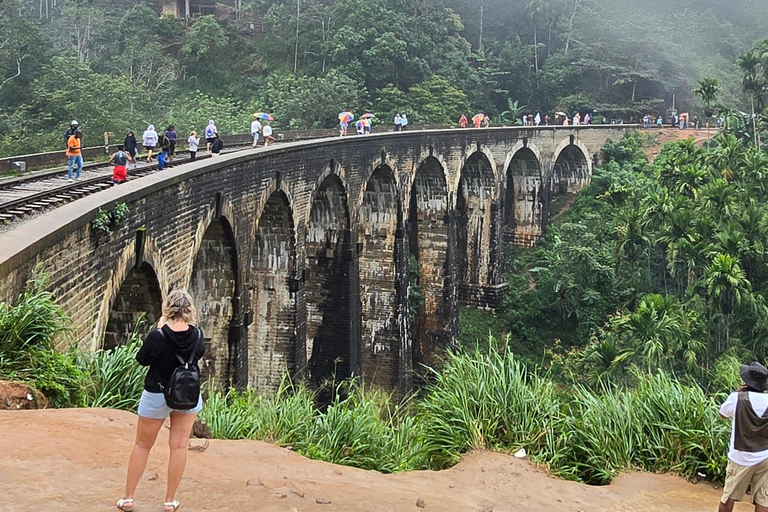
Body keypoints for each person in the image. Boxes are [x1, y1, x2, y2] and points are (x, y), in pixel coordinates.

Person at [116, 290, 205, 512]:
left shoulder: (159, 335)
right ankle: (169, 501)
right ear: (189, 310)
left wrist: (159, 329)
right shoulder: (198, 335)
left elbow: (142, 360)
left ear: (167, 309)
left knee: (142, 445)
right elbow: (198, 355)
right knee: (179, 446)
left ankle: (128, 498)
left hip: (156, 393)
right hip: (187, 395)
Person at [718, 362, 768, 512]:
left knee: (728, 498)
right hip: (765, 456)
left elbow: (722, 414)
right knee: (763, 500)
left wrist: (737, 392)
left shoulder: (737, 398)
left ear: (747, 381)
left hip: (740, 457)